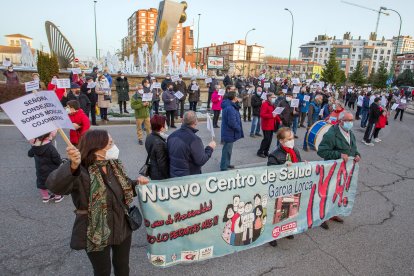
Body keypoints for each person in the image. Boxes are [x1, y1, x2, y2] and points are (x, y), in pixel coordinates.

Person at [46, 129, 149, 276]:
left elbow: (122, 190)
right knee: (102, 271)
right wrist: (71, 166)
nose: (114, 146)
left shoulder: (113, 165)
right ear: (96, 148)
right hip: (95, 230)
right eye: (110, 143)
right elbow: (55, 186)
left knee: (122, 267)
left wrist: (138, 184)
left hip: (121, 224)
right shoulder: (79, 171)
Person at [317, 111, 361, 230]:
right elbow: (321, 151)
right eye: (348, 121)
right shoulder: (331, 134)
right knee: (327, 193)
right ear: (341, 121)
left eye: (352, 121)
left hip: (344, 170)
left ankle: (333, 213)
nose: (350, 123)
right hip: (332, 170)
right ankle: (322, 217)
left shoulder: (350, 133)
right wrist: (339, 154)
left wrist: (357, 155)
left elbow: (353, 149)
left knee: (338, 193)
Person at [267, 127, 302, 246]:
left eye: (292, 138)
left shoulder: (295, 151)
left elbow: (300, 165)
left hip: (292, 186)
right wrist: (283, 167)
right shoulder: (274, 155)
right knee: (277, 213)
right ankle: (272, 236)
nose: (292, 140)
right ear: (281, 141)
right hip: (280, 190)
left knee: (290, 211)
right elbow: (271, 175)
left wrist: (305, 166)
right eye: (289, 139)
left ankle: (286, 230)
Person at [167, 111, 216, 177]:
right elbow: (201, 160)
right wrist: (210, 148)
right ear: (196, 122)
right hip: (188, 178)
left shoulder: (172, 135)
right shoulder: (194, 140)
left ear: (182, 120)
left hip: (173, 175)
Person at [28, 132, 63, 203]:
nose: (51, 136)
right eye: (50, 135)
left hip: (40, 169)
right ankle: (57, 196)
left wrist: (33, 145)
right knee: (55, 182)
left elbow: (29, 154)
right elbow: (56, 159)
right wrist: (60, 162)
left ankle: (45, 197)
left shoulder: (35, 146)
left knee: (42, 182)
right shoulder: (50, 147)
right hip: (52, 169)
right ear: (46, 137)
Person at [220, 92, 244, 171]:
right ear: (234, 98)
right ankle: (223, 167)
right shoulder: (230, 108)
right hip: (229, 132)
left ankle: (227, 164)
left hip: (228, 132)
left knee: (228, 150)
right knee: (227, 150)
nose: (237, 97)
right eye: (236, 96)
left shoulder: (230, 105)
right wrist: (238, 128)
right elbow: (232, 122)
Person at [145, 115, 169, 180]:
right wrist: (168, 177)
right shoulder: (159, 143)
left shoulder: (149, 136)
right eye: (165, 124)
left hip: (153, 169)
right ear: (161, 127)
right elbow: (162, 164)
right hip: (159, 175)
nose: (166, 126)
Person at [257, 93, 279, 158]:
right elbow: (262, 115)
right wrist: (271, 115)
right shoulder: (264, 104)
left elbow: (275, 114)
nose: (274, 98)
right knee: (266, 139)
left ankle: (266, 151)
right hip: (266, 125)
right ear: (269, 97)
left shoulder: (272, 104)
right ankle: (260, 152)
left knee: (270, 139)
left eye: (274, 97)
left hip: (272, 125)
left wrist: (279, 120)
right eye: (273, 97)